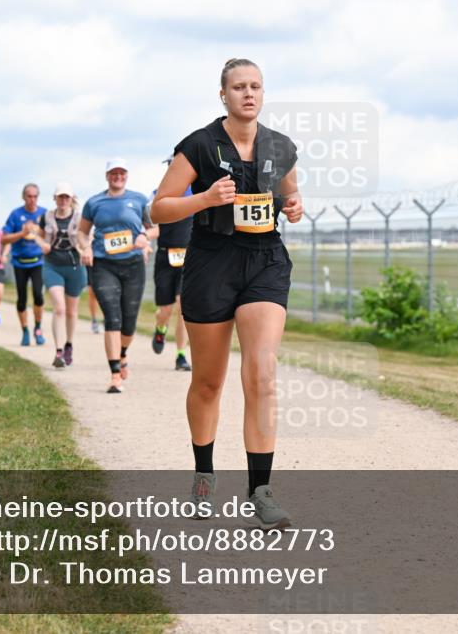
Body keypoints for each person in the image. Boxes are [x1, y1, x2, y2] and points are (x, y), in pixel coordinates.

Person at [151, 58, 304, 529]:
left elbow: (290, 195)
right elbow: (159, 209)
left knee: (262, 372)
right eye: (239, 87)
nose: (248, 93)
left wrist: (294, 207)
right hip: (212, 263)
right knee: (208, 382)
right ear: (223, 95)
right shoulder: (199, 144)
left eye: (255, 86)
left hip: (265, 261)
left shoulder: (281, 146)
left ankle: (261, 491)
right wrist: (204, 198)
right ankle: (204, 476)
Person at [77, 158, 152, 393]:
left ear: (127, 175)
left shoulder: (139, 199)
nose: (118, 176)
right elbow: (82, 232)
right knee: (112, 317)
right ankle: (115, 374)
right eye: (113, 173)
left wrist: (144, 237)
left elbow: (155, 227)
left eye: (121, 172)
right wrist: (86, 247)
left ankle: (122, 353)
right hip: (103, 264)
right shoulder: (94, 202)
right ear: (107, 176)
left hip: (133, 265)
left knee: (129, 321)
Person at [34, 183, 89, 368]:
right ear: (55, 199)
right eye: (60, 197)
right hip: (53, 266)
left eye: (67, 197)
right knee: (59, 308)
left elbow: (88, 237)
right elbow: (38, 235)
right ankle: (58, 351)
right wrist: (42, 244)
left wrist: (85, 249)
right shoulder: (47, 217)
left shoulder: (80, 218)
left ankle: (68, 345)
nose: (63, 200)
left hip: (74, 266)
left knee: (72, 311)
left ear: (72, 199)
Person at [147, 156, 192, 372]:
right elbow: (153, 226)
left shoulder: (197, 193)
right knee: (165, 310)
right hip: (165, 256)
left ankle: (181, 355)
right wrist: (144, 237)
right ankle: (160, 328)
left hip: (189, 258)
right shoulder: (157, 195)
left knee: (184, 307)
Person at [1, 183, 47, 346]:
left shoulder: (44, 214)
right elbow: (3, 239)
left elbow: (52, 235)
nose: (32, 199)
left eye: (35, 196)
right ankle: (25, 331)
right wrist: (22, 233)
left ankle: (38, 329)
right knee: (22, 299)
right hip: (20, 263)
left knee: (38, 295)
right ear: (23, 197)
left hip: (38, 261)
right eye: (29, 196)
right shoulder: (15, 214)